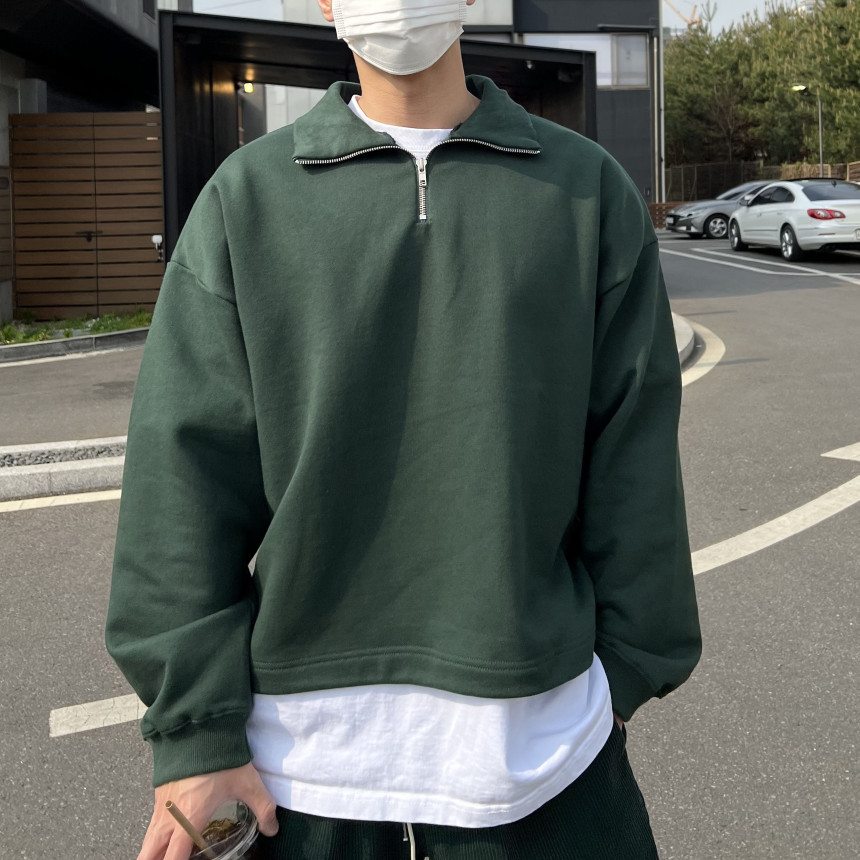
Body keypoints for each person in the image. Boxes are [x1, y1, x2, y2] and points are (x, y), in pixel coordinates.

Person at [106, 1, 702, 858]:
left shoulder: (586, 189)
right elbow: (181, 476)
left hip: (544, 763)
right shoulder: (247, 198)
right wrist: (196, 736)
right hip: (296, 781)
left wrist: (624, 672)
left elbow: (634, 450)